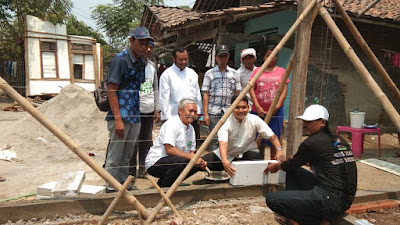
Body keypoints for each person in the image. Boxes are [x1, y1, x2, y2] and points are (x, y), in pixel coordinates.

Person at [264, 104, 357, 225]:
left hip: (330, 199)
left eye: (309, 122)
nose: (304, 125)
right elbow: (327, 161)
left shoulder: (312, 142)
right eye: (304, 121)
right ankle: (315, 217)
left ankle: (308, 221)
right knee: (295, 172)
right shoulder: (339, 140)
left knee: (272, 200)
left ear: (322, 122)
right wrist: (297, 162)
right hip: (346, 200)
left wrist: (277, 166)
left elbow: (290, 165)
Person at [104, 27, 153, 192]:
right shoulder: (120, 60)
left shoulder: (141, 62)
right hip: (121, 115)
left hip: (135, 114)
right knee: (115, 154)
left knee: (127, 155)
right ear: (131, 41)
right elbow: (112, 90)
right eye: (141, 42)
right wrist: (117, 118)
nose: (144, 47)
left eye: (146, 43)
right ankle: (111, 187)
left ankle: (124, 184)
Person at [202, 94, 285, 176]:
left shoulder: (254, 119)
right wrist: (224, 161)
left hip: (247, 154)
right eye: (237, 107)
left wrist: (279, 150)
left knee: (257, 160)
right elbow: (222, 143)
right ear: (231, 108)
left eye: (244, 107)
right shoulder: (225, 122)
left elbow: (272, 136)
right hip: (227, 155)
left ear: (248, 108)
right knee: (198, 163)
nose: (241, 111)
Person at [145, 98, 207, 187]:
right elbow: (169, 149)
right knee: (181, 162)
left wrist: (198, 161)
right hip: (156, 162)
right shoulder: (172, 124)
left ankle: (164, 184)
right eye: (190, 111)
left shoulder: (191, 129)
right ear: (180, 111)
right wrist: (191, 158)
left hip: (174, 162)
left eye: (195, 112)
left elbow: (191, 152)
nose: (193, 114)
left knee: (196, 164)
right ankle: (166, 188)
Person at [249, 44, 289, 160]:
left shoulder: (281, 71)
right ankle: (258, 161)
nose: (271, 58)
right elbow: (251, 88)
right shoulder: (257, 71)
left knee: (274, 138)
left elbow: (284, 90)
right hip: (258, 111)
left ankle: (273, 163)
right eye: (268, 55)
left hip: (276, 112)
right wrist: (257, 106)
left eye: (273, 55)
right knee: (258, 139)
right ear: (263, 57)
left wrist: (277, 106)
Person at [159, 47, 203, 145]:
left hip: (192, 115)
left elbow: (197, 94)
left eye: (186, 59)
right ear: (174, 59)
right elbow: (164, 97)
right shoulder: (167, 75)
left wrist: (199, 112)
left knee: (192, 143)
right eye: (180, 60)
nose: (183, 62)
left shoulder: (192, 73)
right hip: (174, 116)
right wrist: (166, 118)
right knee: (176, 143)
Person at [129, 41, 160, 177]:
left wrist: (157, 108)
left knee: (146, 141)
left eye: (151, 48)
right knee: (133, 142)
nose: (148, 50)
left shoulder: (152, 67)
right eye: (146, 47)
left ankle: (143, 169)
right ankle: (130, 172)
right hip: (135, 110)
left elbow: (155, 88)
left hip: (148, 109)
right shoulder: (132, 65)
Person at [202, 44, 241, 150]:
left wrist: (236, 110)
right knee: (214, 138)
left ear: (228, 56)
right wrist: (205, 114)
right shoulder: (209, 74)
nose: (223, 59)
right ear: (216, 57)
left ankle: (226, 161)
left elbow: (237, 93)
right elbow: (206, 94)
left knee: (228, 136)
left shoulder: (235, 73)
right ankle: (216, 162)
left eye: (225, 56)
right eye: (220, 56)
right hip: (214, 111)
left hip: (229, 111)